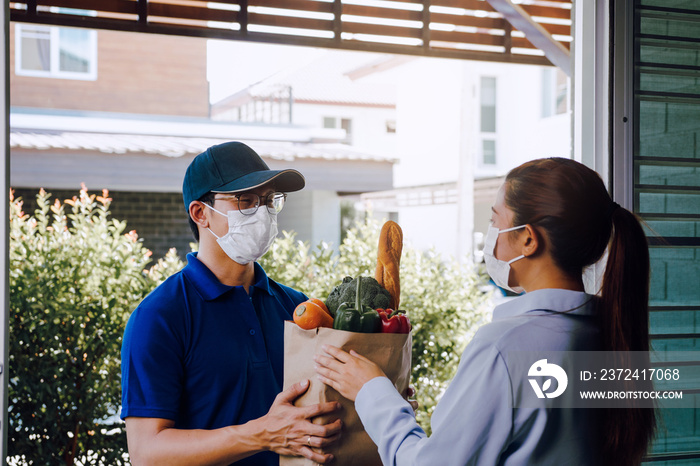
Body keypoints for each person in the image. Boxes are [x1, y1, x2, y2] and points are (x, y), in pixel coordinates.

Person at [315, 157, 656, 466]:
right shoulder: (613, 333)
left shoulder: (505, 347)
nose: (491, 236)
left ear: (528, 240)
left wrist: (372, 391)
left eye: (496, 220)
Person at [121, 141, 342, 466]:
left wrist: (377, 398)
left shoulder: (298, 308)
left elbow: (323, 406)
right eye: (246, 201)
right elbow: (146, 453)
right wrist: (262, 434)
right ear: (201, 213)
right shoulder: (159, 318)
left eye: (269, 201)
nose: (263, 213)